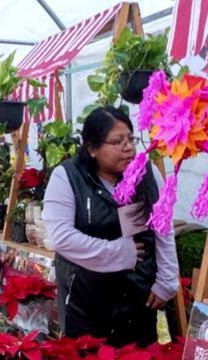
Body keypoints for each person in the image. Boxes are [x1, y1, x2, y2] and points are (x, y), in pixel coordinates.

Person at [42, 106, 179, 347]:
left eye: (130, 139)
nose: (128, 148)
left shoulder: (147, 173)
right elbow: (61, 237)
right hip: (85, 303)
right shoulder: (67, 177)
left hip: (138, 298)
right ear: (92, 148)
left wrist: (166, 280)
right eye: (117, 142)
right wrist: (118, 252)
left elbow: (163, 227)